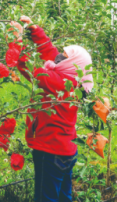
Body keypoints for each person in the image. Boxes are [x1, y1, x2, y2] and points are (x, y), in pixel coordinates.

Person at [20, 16, 94, 202]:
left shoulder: (54, 81)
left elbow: (26, 66)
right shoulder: (76, 82)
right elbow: (50, 52)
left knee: (45, 199)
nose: (59, 56)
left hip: (50, 152)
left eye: (65, 55)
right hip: (67, 152)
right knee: (63, 198)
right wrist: (35, 30)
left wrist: (15, 40)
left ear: (72, 63)